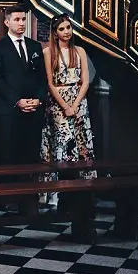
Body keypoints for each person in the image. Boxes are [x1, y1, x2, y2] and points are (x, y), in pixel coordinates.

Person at [40, 13, 96, 204]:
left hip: (79, 100)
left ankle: (85, 189)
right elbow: (49, 82)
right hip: (58, 102)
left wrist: (75, 104)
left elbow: (86, 81)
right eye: (61, 29)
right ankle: (56, 193)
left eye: (68, 28)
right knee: (62, 143)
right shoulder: (48, 52)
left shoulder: (79, 50)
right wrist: (65, 106)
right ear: (55, 33)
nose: (66, 32)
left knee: (82, 143)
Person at [0, 5, 48, 167]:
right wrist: (17, 101)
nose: (21, 23)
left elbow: (43, 77)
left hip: (34, 109)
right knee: (10, 157)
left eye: (23, 19)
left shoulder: (35, 46)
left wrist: (38, 99)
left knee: (32, 157)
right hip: (10, 110)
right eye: (17, 19)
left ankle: (32, 192)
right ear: (7, 22)